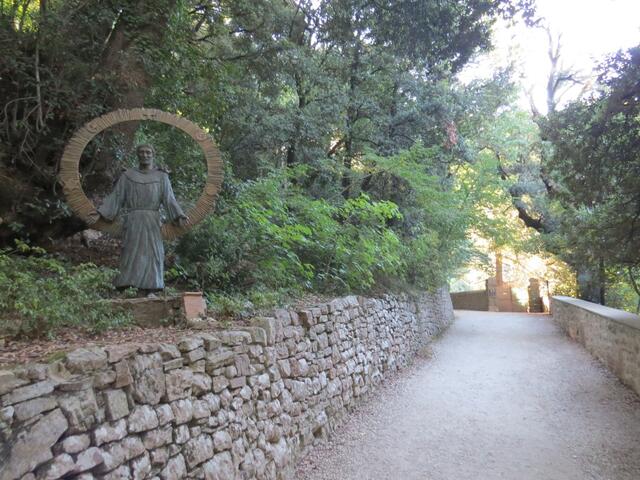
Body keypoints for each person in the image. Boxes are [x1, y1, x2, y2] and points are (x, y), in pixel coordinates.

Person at [91, 144, 188, 292]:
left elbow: (169, 199)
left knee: (153, 252)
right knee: (130, 251)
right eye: (141, 152)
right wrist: (102, 212)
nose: (145, 155)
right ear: (137, 155)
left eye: (148, 152)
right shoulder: (127, 176)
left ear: (153, 154)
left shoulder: (162, 177)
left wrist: (178, 215)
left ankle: (152, 288)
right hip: (133, 220)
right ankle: (126, 286)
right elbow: (116, 197)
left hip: (152, 221)